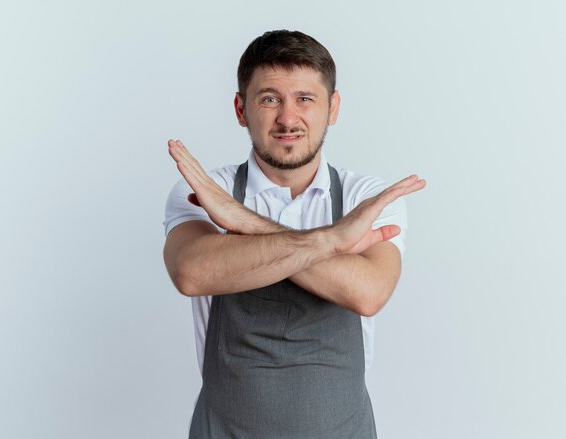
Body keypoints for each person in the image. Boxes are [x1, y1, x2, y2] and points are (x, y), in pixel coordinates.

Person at [162, 29, 426, 439]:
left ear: (332, 107)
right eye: (269, 99)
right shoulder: (202, 190)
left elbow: (368, 292)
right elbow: (192, 273)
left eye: (305, 98)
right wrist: (330, 242)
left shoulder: (366, 196)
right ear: (240, 108)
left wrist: (243, 222)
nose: (288, 118)